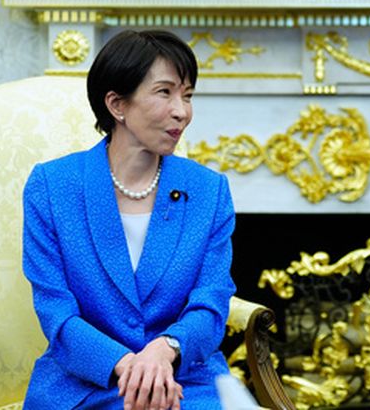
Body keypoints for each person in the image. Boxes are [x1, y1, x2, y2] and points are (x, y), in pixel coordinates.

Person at [22, 30, 236, 409]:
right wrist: (129, 366)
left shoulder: (208, 191)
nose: (181, 111)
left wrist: (165, 350)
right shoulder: (52, 187)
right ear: (117, 104)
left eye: (187, 95)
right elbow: (56, 310)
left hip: (185, 380)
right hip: (84, 383)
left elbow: (211, 301)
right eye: (165, 92)